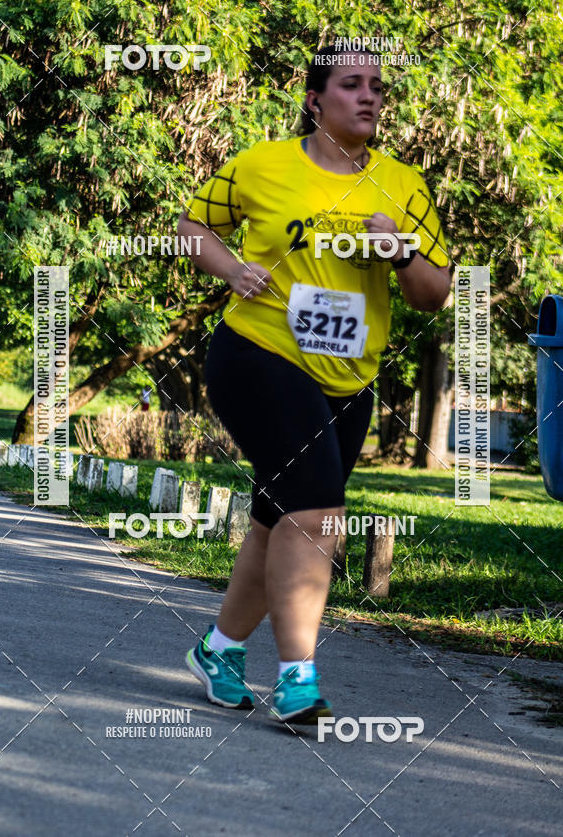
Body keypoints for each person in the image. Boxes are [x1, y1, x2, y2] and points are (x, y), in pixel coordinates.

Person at [178, 43, 451, 725]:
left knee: (280, 517)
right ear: (314, 100)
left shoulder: (405, 185)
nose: (369, 97)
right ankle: (298, 677)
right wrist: (233, 268)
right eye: (352, 84)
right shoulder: (262, 165)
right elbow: (191, 229)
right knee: (318, 506)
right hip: (257, 351)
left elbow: (434, 294)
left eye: (377, 88)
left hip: (348, 377)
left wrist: (403, 248)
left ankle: (218, 649)